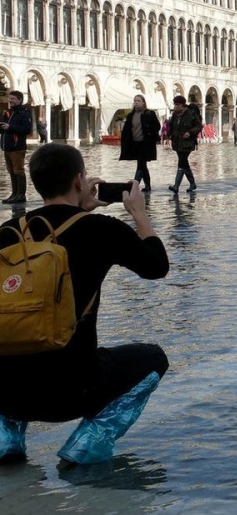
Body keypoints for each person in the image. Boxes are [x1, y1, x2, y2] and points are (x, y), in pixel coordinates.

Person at [0, 143, 169, 465]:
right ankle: (85, 446)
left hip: (6, 392)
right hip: (73, 390)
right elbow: (156, 266)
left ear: (36, 182)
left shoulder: (6, 233)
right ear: (80, 181)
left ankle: (5, 440)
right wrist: (140, 215)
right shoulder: (101, 229)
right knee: (152, 358)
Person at [118, 95, 162, 192]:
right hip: (135, 143)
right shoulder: (131, 115)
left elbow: (157, 126)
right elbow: (127, 131)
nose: (136, 102)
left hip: (146, 143)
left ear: (143, 102)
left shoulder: (150, 113)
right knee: (142, 165)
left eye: (138, 101)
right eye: (135, 101)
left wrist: (151, 136)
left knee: (141, 164)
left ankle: (134, 185)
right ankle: (147, 185)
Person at [1, 90, 33, 205]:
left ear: (20, 100)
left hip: (17, 147)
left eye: (13, 99)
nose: (10, 101)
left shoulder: (24, 113)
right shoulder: (8, 113)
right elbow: (4, 128)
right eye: (9, 98)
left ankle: (21, 195)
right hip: (7, 147)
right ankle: (14, 194)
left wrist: (10, 127)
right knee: (11, 171)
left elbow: (26, 129)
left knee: (18, 170)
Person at [167, 96, 203, 194]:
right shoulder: (175, 114)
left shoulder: (191, 114)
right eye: (175, 105)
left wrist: (190, 132)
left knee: (182, 162)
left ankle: (176, 186)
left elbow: (199, 126)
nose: (175, 107)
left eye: (177, 105)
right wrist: (169, 134)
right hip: (177, 142)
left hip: (188, 143)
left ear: (182, 105)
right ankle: (192, 183)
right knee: (184, 163)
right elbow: (171, 125)